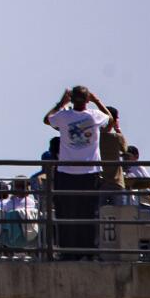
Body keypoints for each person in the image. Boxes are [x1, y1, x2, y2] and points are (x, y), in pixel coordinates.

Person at [44, 86, 116, 259]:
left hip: (66, 172)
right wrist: (97, 100)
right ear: (87, 100)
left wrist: (61, 103)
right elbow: (111, 120)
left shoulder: (63, 116)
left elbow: (47, 119)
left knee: (66, 212)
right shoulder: (94, 115)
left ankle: (68, 252)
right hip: (89, 172)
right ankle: (87, 251)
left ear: (72, 99)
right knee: (88, 213)